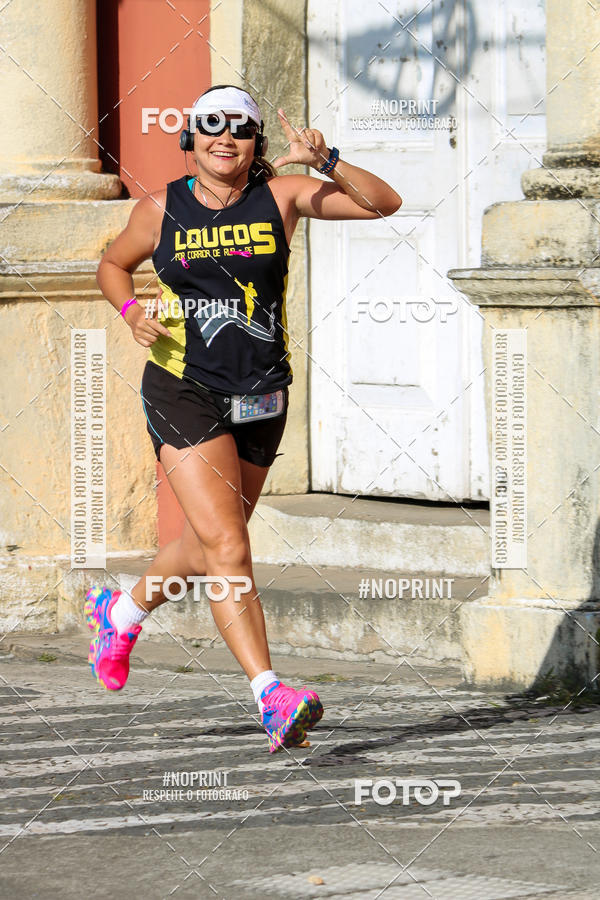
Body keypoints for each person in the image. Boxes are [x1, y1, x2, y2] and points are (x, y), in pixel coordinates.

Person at [88, 84, 402, 753]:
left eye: (239, 128)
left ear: (256, 141)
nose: (223, 137)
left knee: (210, 546)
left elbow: (384, 204)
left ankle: (120, 612)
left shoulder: (283, 197)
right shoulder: (159, 208)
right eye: (209, 125)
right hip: (181, 385)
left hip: (262, 394)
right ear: (190, 136)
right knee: (230, 546)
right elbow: (113, 265)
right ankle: (271, 695)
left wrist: (328, 159)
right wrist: (132, 313)